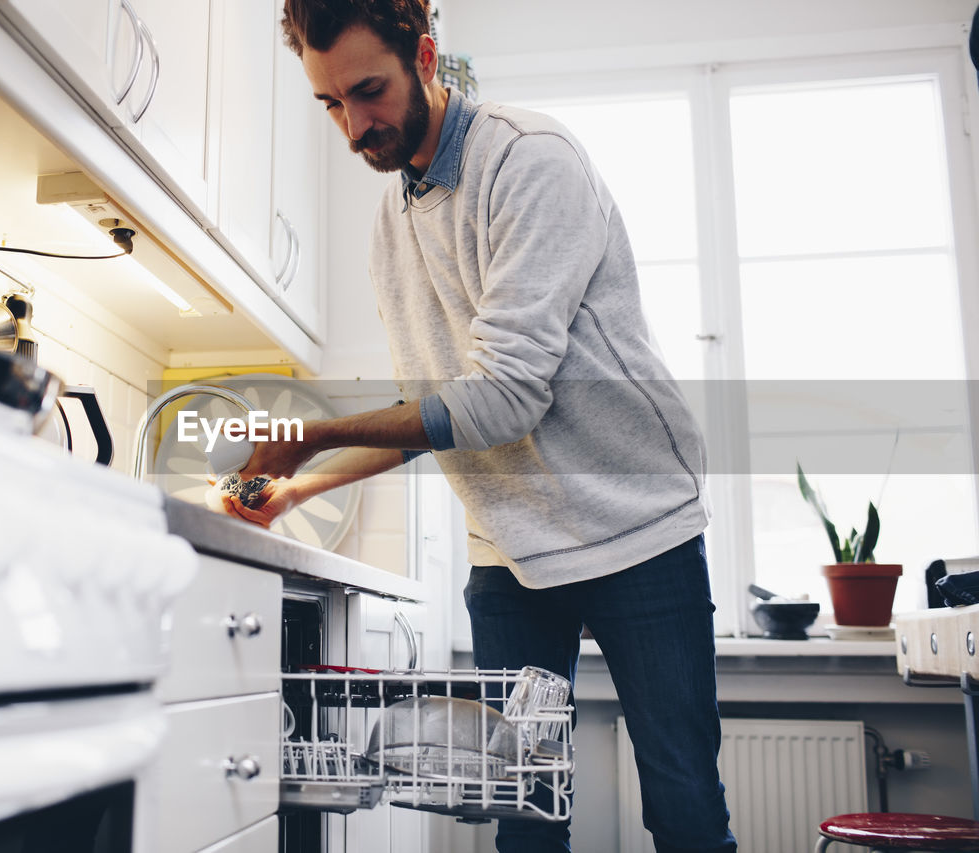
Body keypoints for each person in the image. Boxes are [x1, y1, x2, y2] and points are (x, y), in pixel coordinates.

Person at [219, 1, 737, 850]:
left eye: (369, 91)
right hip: (510, 550)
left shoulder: (530, 163)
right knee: (522, 818)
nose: (355, 126)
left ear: (424, 56)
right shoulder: (392, 223)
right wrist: (296, 490)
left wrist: (310, 435)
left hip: (638, 529)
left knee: (683, 805)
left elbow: (503, 399)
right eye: (331, 105)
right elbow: (435, 414)